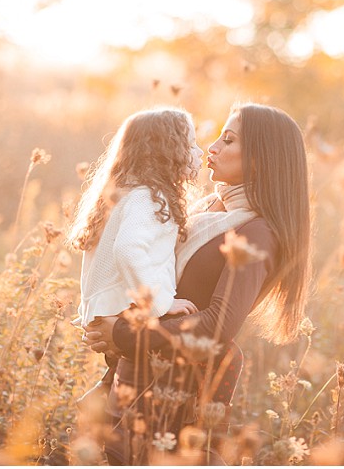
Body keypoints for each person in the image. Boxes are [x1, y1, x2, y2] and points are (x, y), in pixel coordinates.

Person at [83, 103, 312, 465]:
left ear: (260, 158)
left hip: (177, 387)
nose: (213, 147)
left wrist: (124, 334)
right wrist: (108, 320)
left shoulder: (257, 232)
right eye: (219, 136)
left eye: (229, 139)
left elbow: (217, 325)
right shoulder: (205, 208)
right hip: (139, 368)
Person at [67, 107, 203, 397]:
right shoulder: (148, 199)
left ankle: (99, 407)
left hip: (110, 312)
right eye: (192, 144)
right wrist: (160, 305)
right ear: (170, 151)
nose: (200, 152)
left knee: (122, 390)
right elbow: (128, 250)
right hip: (126, 313)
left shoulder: (127, 194)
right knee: (141, 396)